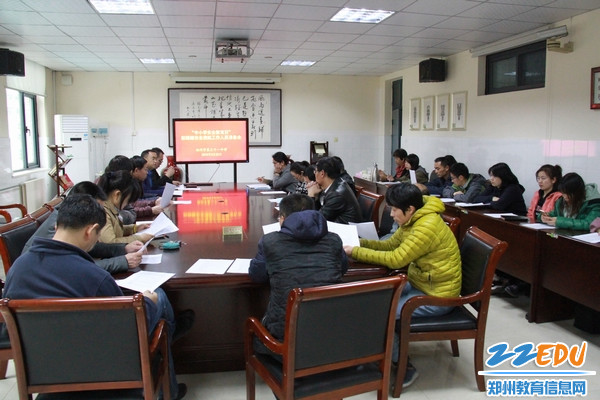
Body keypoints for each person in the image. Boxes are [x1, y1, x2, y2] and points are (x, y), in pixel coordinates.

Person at [2, 194, 189, 400]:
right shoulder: (94, 276)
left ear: (56, 226)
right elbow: (125, 330)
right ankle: (170, 369)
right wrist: (148, 303)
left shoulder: (18, 269)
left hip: (43, 370)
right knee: (157, 299)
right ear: (90, 231)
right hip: (101, 368)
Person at [343, 183, 461, 387]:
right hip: (422, 283)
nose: (391, 214)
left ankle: (404, 367)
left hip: (437, 295)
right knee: (374, 298)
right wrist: (359, 243)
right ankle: (377, 351)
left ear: (410, 209)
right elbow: (390, 245)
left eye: (394, 210)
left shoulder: (426, 226)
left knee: (381, 312)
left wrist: (355, 252)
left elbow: (396, 259)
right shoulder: (415, 217)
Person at [248, 194, 348, 355]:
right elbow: (342, 268)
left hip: (285, 343)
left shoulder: (270, 241)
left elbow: (257, 276)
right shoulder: (334, 240)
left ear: (282, 218)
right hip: (332, 337)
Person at [22, 181, 143, 273]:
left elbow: (91, 247)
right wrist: (123, 261)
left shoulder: (68, 217)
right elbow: (74, 268)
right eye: (96, 208)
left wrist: (123, 249)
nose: (99, 214)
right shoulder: (62, 226)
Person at [97, 170, 154, 244]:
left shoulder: (110, 208)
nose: (127, 204)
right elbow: (110, 243)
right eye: (128, 201)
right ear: (117, 195)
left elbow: (116, 229)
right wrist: (140, 238)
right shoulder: (103, 213)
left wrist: (134, 228)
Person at [307, 157, 362, 224]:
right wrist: (316, 196)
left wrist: (310, 195)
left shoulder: (336, 194)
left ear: (322, 173)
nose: (314, 174)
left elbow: (316, 220)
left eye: (315, 171)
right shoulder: (336, 182)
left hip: (345, 229)